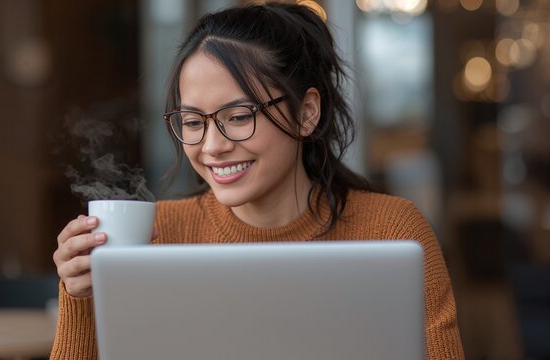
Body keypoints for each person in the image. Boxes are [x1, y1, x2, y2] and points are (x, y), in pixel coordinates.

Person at [50, 2, 464, 359]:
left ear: (307, 113)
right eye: (193, 122)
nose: (212, 146)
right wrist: (81, 297)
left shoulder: (390, 232)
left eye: (238, 116)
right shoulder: (158, 236)